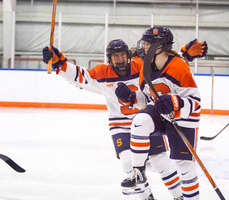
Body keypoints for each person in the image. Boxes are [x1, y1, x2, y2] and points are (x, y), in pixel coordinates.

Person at [42, 39, 184, 200]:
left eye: (122, 55)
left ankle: (179, 196)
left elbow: (164, 63)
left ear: (128, 56)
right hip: (120, 125)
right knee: (127, 162)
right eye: (115, 56)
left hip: (146, 121)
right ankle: (146, 197)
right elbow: (81, 76)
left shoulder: (141, 66)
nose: (119, 59)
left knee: (160, 161)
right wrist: (60, 62)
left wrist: (186, 54)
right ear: (109, 59)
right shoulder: (102, 72)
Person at [116, 27, 206, 200]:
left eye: (148, 43)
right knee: (140, 120)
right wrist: (132, 96)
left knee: (184, 166)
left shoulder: (178, 66)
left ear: (160, 46)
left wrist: (176, 102)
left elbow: (195, 102)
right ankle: (139, 173)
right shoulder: (146, 68)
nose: (143, 47)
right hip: (161, 114)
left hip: (183, 120)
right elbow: (147, 97)